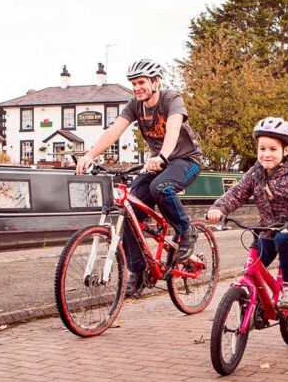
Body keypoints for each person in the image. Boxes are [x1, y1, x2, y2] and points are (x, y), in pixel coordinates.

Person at [77, 59, 205, 294]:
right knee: (128, 212)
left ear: (155, 82)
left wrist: (163, 156)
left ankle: (186, 230)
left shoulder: (171, 99)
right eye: (134, 83)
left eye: (141, 82)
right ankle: (138, 271)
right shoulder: (134, 105)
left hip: (186, 160)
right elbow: (114, 131)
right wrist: (89, 155)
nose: (137, 88)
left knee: (161, 187)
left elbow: (174, 129)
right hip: (158, 163)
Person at [206, 118, 288, 310]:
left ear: (285, 151)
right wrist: (219, 208)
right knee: (252, 271)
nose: (266, 154)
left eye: (273, 149)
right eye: (262, 149)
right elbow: (237, 193)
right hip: (267, 232)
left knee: (284, 239)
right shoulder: (256, 173)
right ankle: (253, 304)